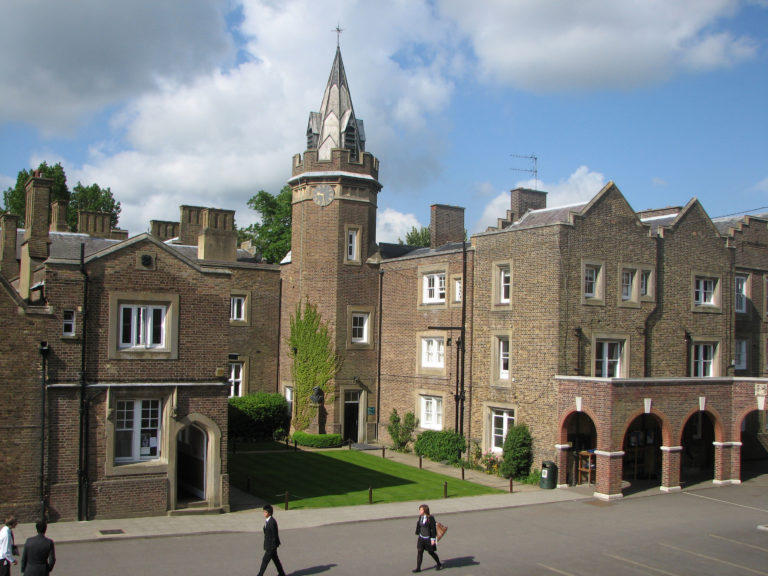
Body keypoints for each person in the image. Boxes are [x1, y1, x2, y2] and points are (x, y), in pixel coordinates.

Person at [257, 504, 286, 576]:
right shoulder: (268, 521)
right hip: (270, 545)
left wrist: (272, 546)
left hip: (271, 546)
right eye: (263, 512)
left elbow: (274, 535)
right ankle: (282, 574)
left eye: (265, 512)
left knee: (265, 561)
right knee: (276, 560)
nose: (264, 513)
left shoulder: (272, 522)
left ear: (269, 513)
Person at [413, 504, 442, 573]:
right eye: (419, 509)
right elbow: (419, 526)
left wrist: (433, 539)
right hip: (421, 538)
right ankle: (418, 568)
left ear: (425, 510)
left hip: (428, 539)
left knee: (431, 552)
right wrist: (418, 532)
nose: (419, 511)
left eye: (421, 510)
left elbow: (433, 529)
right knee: (419, 551)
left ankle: (439, 563)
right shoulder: (421, 517)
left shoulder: (430, 518)